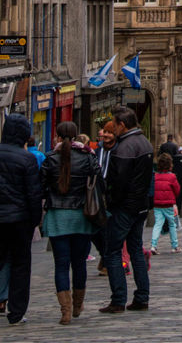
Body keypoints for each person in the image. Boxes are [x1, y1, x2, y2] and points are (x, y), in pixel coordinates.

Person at [41, 121, 104, 323]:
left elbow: (41, 186)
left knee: (61, 265)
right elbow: (98, 181)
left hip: (57, 216)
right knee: (79, 264)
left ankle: (65, 311)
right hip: (81, 216)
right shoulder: (88, 157)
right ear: (76, 136)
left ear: (58, 137)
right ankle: (77, 305)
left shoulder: (50, 158)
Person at [99, 106, 154, 314]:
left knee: (112, 252)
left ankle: (118, 299)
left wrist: (112, 201)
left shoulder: (124, 148)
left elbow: (118, 181)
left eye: (115, 124)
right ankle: (142, 297)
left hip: (125, 207)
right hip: (140, 205)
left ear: (122, 125)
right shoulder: (145, 142)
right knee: (136, 250)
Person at [0, 113, 43, 324]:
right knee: (20, 265)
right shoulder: (26, 158)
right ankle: (16, 312)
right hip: (19, 220)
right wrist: (34, 221)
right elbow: (34, 194)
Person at [150, 153, 181, 254]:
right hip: (168, 204)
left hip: (157, 204)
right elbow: (177, 190)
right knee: (172, 224)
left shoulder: (155, 176)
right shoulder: (172, 177)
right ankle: (174, 246)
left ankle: (153, 245)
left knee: (158, 224)